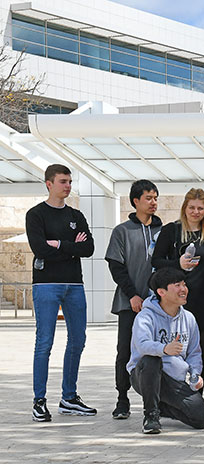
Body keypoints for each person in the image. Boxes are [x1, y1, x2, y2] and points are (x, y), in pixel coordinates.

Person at [27, 164, 96, 421]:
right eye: (63, 181)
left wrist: (57, 243)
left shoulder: (76, 215)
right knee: (44, 343)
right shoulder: (36, 215)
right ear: (49, 183)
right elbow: (39, 249)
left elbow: (88, 248)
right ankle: (39, 400)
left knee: (78, 340)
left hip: (74, 285)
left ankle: (69, 397)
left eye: (69, 181)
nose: (68, 186)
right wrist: (70, 247)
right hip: (46, 285)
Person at [127, 268, 204, 434]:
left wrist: (195, 374)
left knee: (201, 418)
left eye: (184, 284)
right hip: (144, 375)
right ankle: (150, 416)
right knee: (151, 359)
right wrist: (164, 349)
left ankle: (161, 407)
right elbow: (142, 345)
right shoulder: (145, 316)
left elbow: (194, 353)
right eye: (177, 285)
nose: (183, 289)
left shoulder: (189, 318)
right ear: (161, 292)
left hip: (173, 379)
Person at [152, 188, 204, 393]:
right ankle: (171, 398)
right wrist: (177, 264)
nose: (196, 212)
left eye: (200, 208)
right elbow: (156, 260)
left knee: (200, 352)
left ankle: (195, 396)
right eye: (192, 207)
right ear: (184, 208)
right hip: (174, 303)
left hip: (203, 302)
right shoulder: (171, 230)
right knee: (174, 352)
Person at [106, 180, 162, 420]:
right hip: (129, 303)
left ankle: (158, 402)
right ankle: (122, 399)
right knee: (125, 351)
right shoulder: (122, 231)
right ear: (135, 201)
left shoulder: (164, 231)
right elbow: (116, 267)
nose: (153, 202)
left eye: (155, 198)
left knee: (158, 352)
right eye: (148, 198)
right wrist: (133, 295)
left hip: (158, 306)